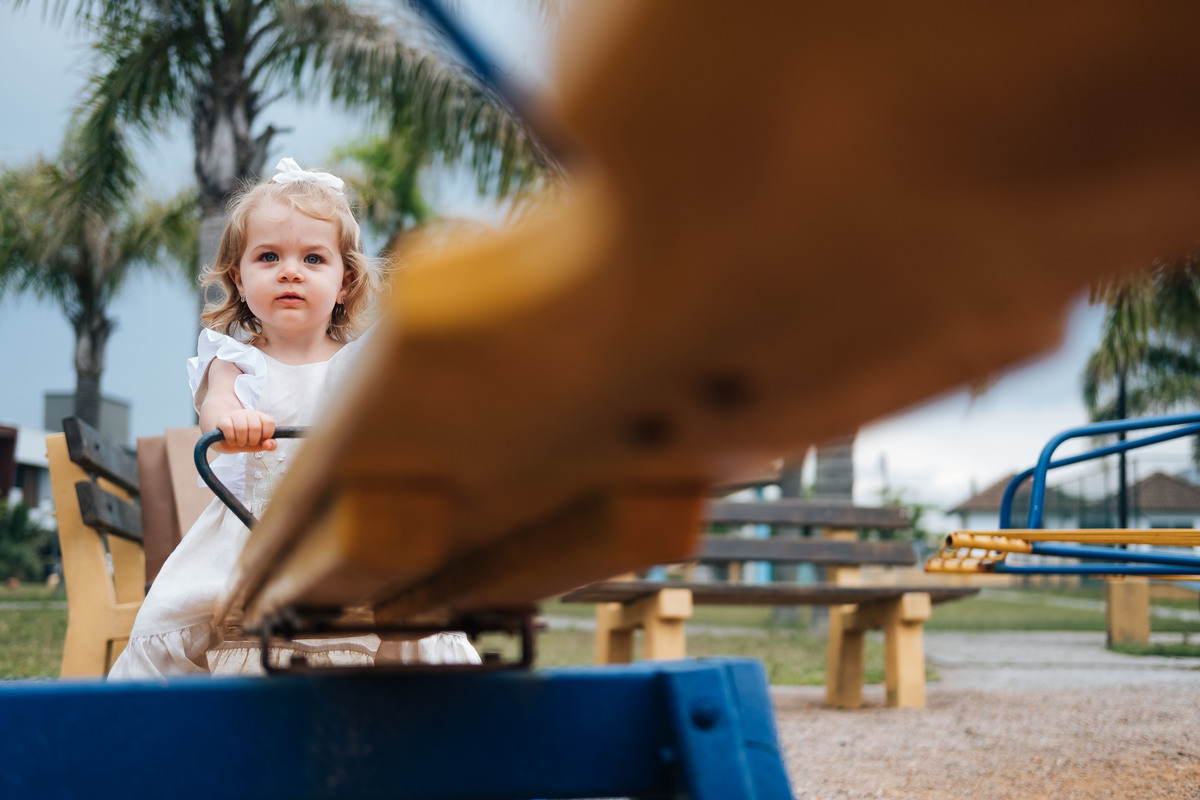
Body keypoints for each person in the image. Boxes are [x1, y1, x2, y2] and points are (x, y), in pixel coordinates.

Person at [108, 158, 480, 680]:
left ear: (345, 281)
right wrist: (233, 423)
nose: (290, 271)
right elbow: (216, 408)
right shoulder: (233, 358)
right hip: (251, 532)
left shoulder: (358, 364)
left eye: (313, 258)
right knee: (173, 613)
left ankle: (418, 706)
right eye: (269, 256)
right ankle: (187, 714)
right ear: (239, 279)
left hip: (344, 531)